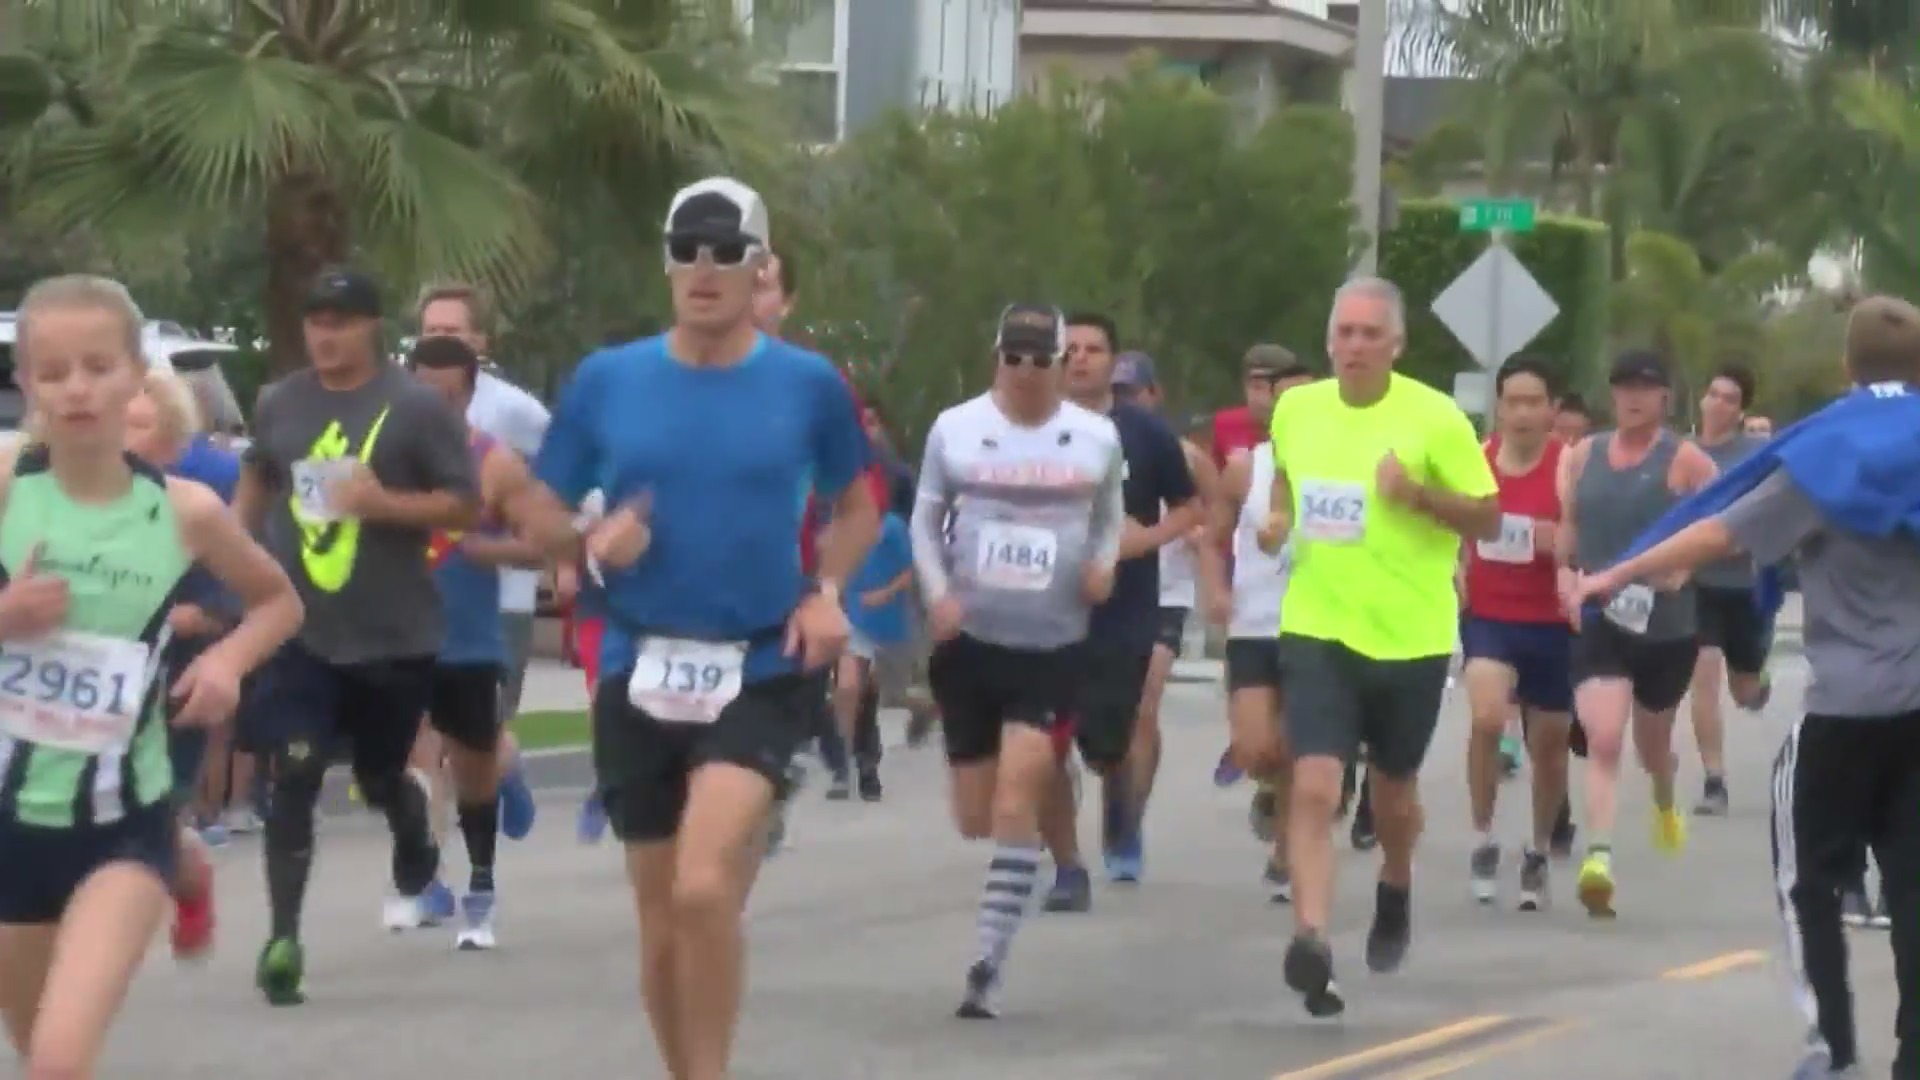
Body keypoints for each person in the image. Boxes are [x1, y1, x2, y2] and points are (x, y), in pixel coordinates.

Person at [533, 176, 878, 1080]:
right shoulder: (608, 380)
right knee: (660, 927)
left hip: (763, 662)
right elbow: (539, 512)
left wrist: (827, 591)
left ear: (760, 266)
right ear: (666, 262)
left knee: (703, 887)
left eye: (727, 251)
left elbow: (858, 505)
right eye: (687, 248)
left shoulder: (807, 385)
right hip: (639, 665)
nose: (705, 268)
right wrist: (589, 540)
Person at [1571, 294, 1920, 1080]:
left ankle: (1832, 1046)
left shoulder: (1830, 458)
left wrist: (1618, 572)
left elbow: (1720, 527)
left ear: (1846, 369)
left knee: (1808, 884)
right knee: (1912, 886)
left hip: (1842, 713)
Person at [0, 274, 302, 1076]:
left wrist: (227, 662)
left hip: (122, 826)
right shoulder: (4, 487)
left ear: (139, 373)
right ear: (26, 383)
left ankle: (180, 872)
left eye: (98, 366)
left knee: (60, 1059)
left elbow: (278, 604)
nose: (77, 390)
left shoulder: (186, 512)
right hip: (9, 825)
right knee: (40, 1053)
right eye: (54, 371)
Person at [236, 266, 482, 1004]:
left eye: (340, 321)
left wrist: (382, 503)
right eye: (316, 321)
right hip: (301, 627)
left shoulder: (414, 407)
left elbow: (463, 507)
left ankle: (411, 828)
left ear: (371, 326)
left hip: (392, 633)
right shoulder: (280, 401)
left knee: (377, 776)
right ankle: (283, 940)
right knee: (298, 770)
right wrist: (226, 553)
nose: (325, 334)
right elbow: (256, 482)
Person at [1263, 277, 1499, 1017]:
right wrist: (1274, 522)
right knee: (1313, 785)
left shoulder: (1434, 418)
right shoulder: (1297, 410)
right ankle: (1311, 939)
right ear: (1329, 340)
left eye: (1371, 334)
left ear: (1396, 345)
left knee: (1393, 792)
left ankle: (1395, 885)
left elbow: (1488, 520)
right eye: (1345, 333)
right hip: (1318, 626)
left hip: (1411, 636)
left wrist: (1420, 498)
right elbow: (1284, 490)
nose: (1356, 346)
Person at [912, 303, 1123, 1017]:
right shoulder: (957, 427)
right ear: (996, 357)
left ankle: (986, 962)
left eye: (1041, 360)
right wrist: (937, 592)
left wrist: (1102, 566)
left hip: (1052, 647)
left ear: (1062, 364)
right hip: (971, 644)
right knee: (976, 816)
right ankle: (1020, 867)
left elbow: (1109, 516)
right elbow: (923, 515)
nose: (1027, 372)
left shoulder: (1096, 437)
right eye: (1015, 358)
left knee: (1016, 797)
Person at [1554, 349, 1718, 919]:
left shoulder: (1688, 460)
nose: (1633, 397)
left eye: (1645, 388)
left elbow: (1725, 528)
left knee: (1652, 745)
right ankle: (1598, 859)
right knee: (1603, 737)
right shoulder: (1581, 456)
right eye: (1624, 386)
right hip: (1601, 617)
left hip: (1666, 626)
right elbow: (1567, 526)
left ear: (1665, 397)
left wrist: (1687, 568)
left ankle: (1665, 800)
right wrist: (1564, 577)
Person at [1041, 316, 1200, 902]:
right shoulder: (1029, 424)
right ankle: (1067, 866)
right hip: (1043, 612)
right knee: (1044, 741)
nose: (1080, 359)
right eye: (1070, 349)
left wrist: (1144, 540)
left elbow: (1190, 508)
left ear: (1113, 360)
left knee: (1109, 743)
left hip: (1124, 609)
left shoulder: (1145, 433)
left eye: (1093, 349)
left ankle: (1121, 816)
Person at [410, 335, 552, 950]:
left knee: (472, 769)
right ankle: (423, 878)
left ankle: (481, 889)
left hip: (468, 638)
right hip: (395, 636)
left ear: (469, 394)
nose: (434, 407)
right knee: (401, 758)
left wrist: (478, 548)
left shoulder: (494, 462)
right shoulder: (384, 461)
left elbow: (539, 543)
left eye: (447, 395)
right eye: (422, 393)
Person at [124, 368, 247, 960]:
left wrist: (203, 618)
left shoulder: (207, 489)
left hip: (175, 677)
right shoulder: (42, 490)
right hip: (69, 691)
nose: (123, 432)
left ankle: (189, 877)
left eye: (140, 422)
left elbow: (254, 589)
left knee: (150, 815)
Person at [418, 282, 544, 837]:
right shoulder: (402, 404)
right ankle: (421, 879)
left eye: (452, 332)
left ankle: (504, 763)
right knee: (421, 740)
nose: (441, 341)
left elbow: (567, 489)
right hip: (416, 605)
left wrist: (555, 552)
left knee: (474, 741)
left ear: (479, 340)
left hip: (498, 605)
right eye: (431, 332)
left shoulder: (514, 410)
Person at [1459, 357, 1575, 911]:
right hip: (1490, 617)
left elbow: (1588, 537)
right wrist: (1456, 565)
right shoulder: (1476, 461)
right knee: (1486, 716)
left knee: (1548, 747)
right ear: (1499, 407)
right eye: (1513, 401)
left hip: (1554, 622)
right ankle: (1482, 838)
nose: (1524, 412)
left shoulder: (1568, 466)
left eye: (1535, 402)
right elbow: (1457, 524)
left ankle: (1536, 849)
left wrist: (1563, 543)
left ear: (1552, 410)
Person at [1110, 351, 1226, 871]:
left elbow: (1217, 507)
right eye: (1117, 393)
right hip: (1106, 592)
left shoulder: (1183, 453)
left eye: (1133, 392)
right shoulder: (1089, 444)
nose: (1125, 403)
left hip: (1166, 594)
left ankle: (1129, 821)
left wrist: (1199, 538)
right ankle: (1107, 808)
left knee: (1142, 706)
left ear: (1154, 395)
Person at [1208, 367, 1306, 901]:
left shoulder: (1339, 468)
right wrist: (1217, 591)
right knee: (1255, 748)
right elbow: (1211, 537)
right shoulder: (1245, 469)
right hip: (1252, 623)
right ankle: (1268, 791)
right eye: (1284, 400)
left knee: (1295, 746)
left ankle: (1286, 856)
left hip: (1313, 625)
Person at [1687, 363, 1774, 816]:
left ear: (1741, 411)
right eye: (1714, 394)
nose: (1719, 403)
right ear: (1702, 399)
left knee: (1744, 692)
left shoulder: (1756, 452)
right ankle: (1714, 780)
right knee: (1703, 670)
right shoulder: (1682, 453)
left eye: (1730, 399)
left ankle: (1759, 682)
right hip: (1696, 583)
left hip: (1743, 584)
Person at [830, 502, 912, 802]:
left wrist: (884, 594)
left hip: (882, 619)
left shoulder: (891, 526)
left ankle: (866, 765)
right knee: (848, 687)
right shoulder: (835, 520)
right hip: (848, 615)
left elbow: (909, 571)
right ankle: (842, 761)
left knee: (867, 693)